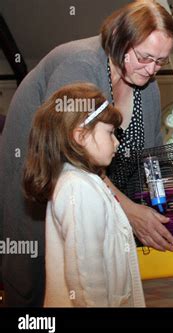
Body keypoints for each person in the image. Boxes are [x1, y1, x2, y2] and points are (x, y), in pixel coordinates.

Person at [0, 0, 173, 306]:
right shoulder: (79, 64)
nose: (151, 70)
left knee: (100, 270)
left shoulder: (148, 85)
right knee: (38, 277)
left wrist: (171, 195)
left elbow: (154, 152)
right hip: (42, 182)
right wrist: (130, 212)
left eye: (160, 61)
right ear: (120, 41)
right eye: (145, 57)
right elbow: (71, 150)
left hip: (103, 193)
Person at [23, 83, 145, 307]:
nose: (117, 143)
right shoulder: (77, 188)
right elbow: (86, 279)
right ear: (80, 136)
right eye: (110, 133)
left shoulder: (87, 182)